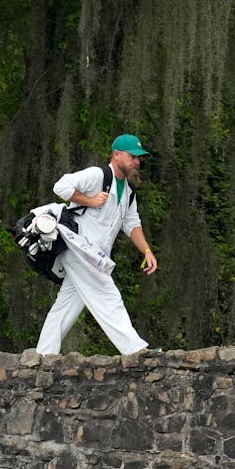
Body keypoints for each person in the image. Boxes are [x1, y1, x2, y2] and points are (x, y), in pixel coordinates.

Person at [36, 134, 158, 355]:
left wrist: (147, 251)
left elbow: (132, 224)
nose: (137, 162)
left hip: (95, 254)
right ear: (117, 154)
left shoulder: (129, 192)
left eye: (139, 158)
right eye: (133, 157)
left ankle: (44, 355)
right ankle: (136, 351)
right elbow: (61, 187)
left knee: (67, 305)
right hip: (79, 248)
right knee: (108, 296)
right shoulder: (98, 176)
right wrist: (91, 201)